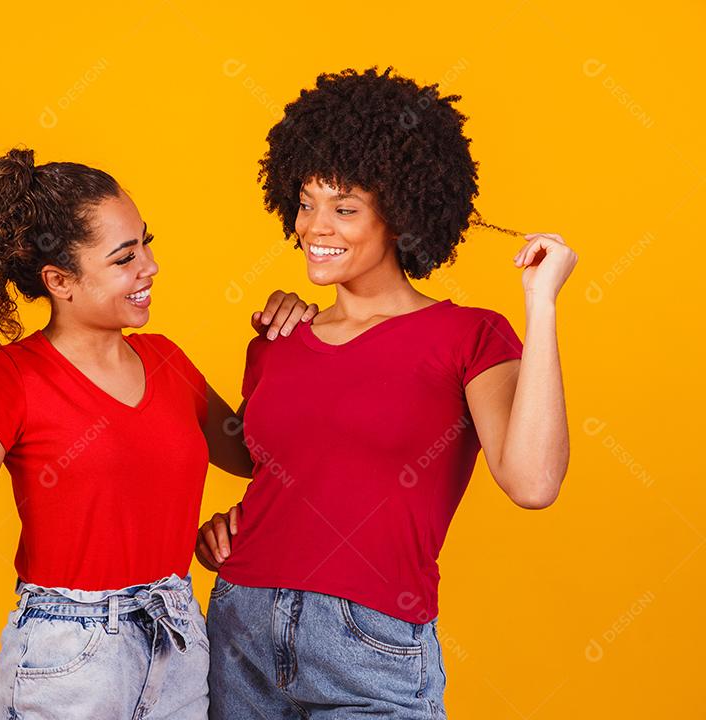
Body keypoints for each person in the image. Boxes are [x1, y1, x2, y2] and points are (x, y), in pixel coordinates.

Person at [0, 147, 316, 719]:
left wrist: (291, 342)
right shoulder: (10, 379)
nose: (150, 266)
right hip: (69, 659)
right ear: (59, 280)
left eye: (146, 243)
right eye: (124, 258)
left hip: (179, 640)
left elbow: (262, 458)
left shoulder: (166, 361)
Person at [196, 67, 577, 719]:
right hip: (240, 626)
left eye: (344, 208)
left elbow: (533, 482)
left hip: (368, 640)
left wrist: (540, 305)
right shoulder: (277, 336)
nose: (316, 226)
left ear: (400, 216)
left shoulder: (469, 337)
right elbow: (283, 475)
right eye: (307, 202)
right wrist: (222, 532)